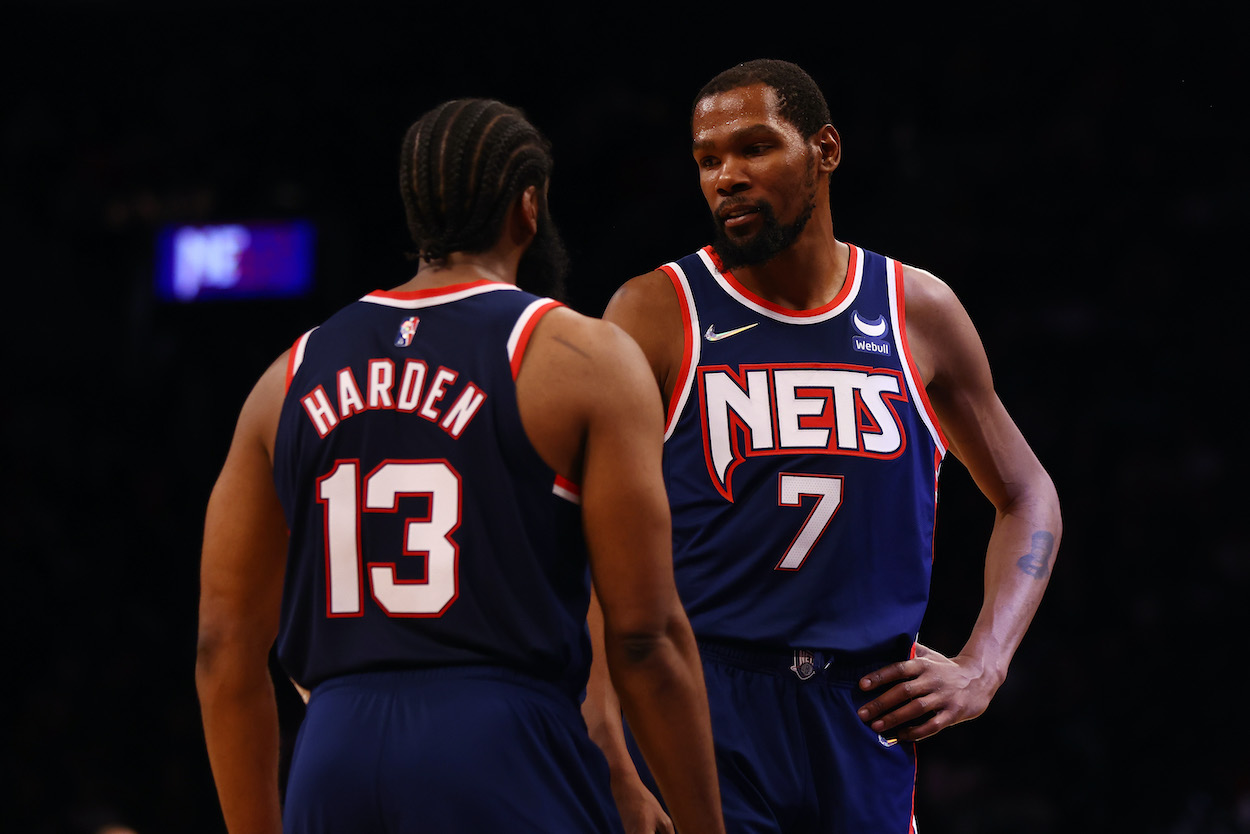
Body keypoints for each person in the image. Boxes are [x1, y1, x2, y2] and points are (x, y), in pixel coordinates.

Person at [195, 97, 724, 834]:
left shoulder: (287, 375)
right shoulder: (578, 356)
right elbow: (644, 636)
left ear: (415, 212)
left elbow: (223, 646)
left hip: (333, 747)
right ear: (528, 207)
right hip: (499, 744)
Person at [584, 59, 1063, 833]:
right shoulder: (654, 312)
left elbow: (1028, 493)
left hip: (865, 708)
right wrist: (607, 749)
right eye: (708, 160)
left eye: (754, 148)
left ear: (825, 150)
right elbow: (589, 545)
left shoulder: (916, 310)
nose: (726, 177)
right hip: (706, 700)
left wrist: (985, 663)